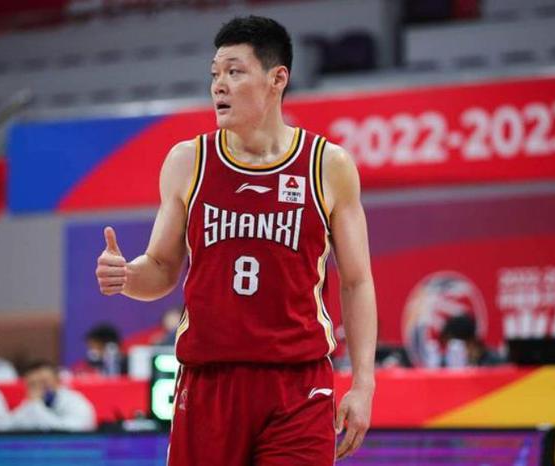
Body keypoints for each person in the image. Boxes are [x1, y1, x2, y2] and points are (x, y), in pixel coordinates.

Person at [95, 15, 377, 465]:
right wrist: (126, 275)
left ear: (277, 79)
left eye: (234, 71)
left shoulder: (328, 165)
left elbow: (357, 281)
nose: (219, 85)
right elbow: (162, 268)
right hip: (210, 382)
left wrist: (363, 384)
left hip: (298, 384)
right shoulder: (189, 161)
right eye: (215, 74)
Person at [6, 360, 96, 432]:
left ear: (58, 381)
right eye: (33, 384)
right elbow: (6, 427)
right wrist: (32, 404)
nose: (39, 388)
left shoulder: (75, 401)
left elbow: (67, 431)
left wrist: (36, 406)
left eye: (43, 382)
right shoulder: (30, 403)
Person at [440, 315, 504, 367]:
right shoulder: (445, 364)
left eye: (454, 346)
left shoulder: (495, 363)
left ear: (471, 342)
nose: (451, 352)